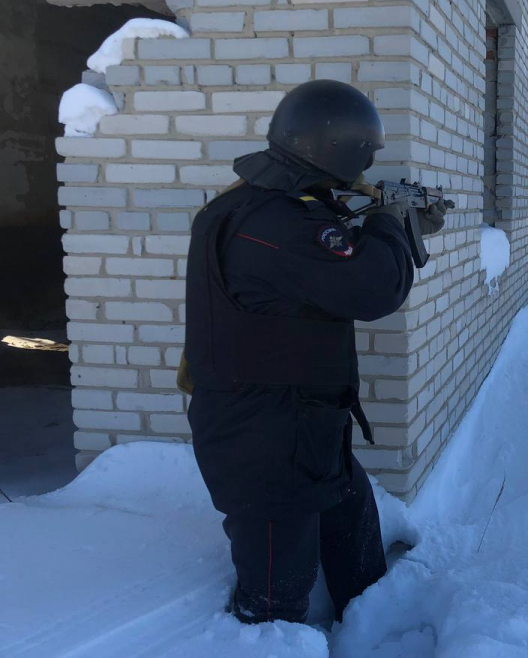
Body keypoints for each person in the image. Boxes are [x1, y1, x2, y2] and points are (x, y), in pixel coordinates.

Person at [179, 79, 448, 624]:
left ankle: (375, 623)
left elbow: (321, 257)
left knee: (351, 521)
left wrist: (382, 218)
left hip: (298, 422)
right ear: (338, 149)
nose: (364, 171)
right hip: (266, 436)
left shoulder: (263, 205)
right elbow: (372, 288)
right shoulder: (276, 224)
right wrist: (389, 223)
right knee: (276, 595)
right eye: (362, 157)